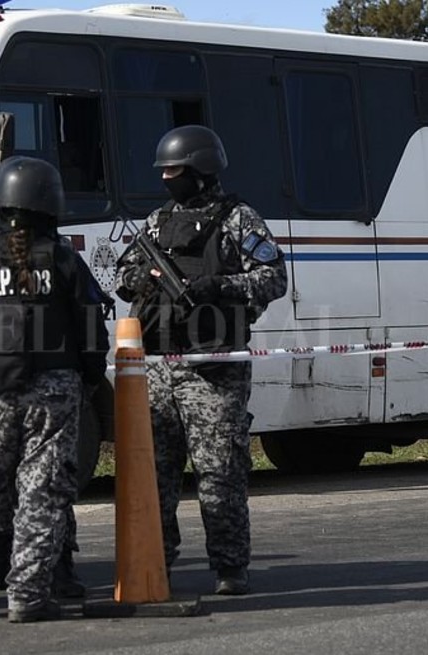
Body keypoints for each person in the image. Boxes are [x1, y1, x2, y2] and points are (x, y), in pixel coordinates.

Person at [0, 156, 110, 623]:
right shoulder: (62, 259)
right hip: (52, 392)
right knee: (41, 493)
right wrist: (89, 378)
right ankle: (28, 596)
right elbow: (92, 329)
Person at [114, 125, 287, 596]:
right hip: (156, 366)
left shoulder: (238, 219)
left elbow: (274, 278)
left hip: (212, 367)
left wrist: (218, 286)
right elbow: (122, 274)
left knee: (219, 473)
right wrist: (146, 276)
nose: (166, 178)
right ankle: (157, 561)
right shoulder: (157, 221)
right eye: (164, 171)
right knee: (154, 475)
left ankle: (230, 565)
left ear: (201, 169)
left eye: (174, 171)